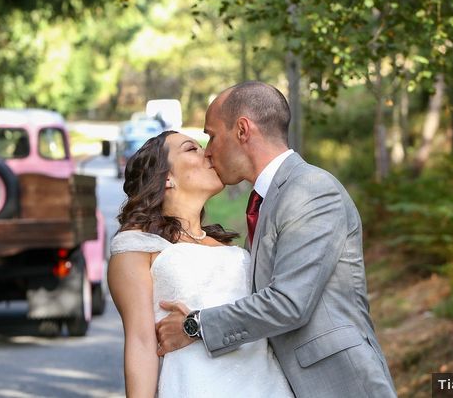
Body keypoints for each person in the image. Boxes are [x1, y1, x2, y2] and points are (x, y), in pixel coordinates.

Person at [155, 81, 396, 398]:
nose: (208, 150)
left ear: (243, 130)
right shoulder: (266, 200)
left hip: (342, 384)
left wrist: (195, 326)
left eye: (212, 135)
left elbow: (288, 303)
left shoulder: (312, 189)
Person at [108, 131, 295, 398]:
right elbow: (140, 344)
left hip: (265, 384)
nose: (207, 153)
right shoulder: (136, 246)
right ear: (166, 178)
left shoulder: (229, 247)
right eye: (191, 149)